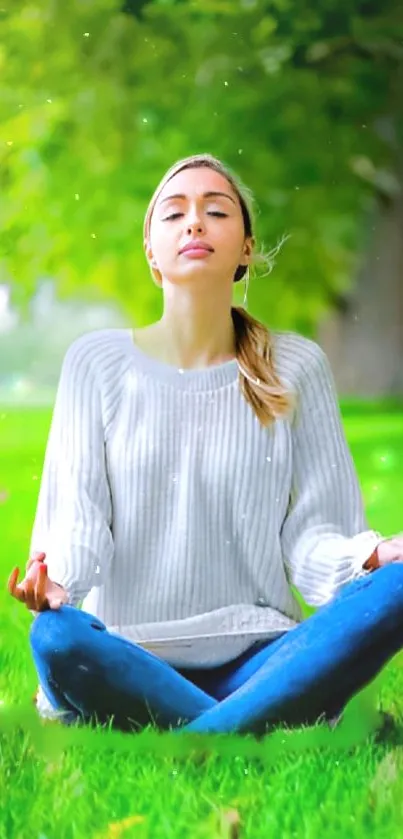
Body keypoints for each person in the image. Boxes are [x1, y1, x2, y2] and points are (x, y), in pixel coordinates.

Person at [8, 153, 403, 736]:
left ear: (246, 246)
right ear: (152, 251)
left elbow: (313, 539)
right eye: (174, 213)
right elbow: (77, 523)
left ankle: (205, 737)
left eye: (216, 211)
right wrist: (59, 576)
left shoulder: (296, 366)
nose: (195, 222)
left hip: (261, 658)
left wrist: (370, 557)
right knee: (57, 636)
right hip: (131, 657)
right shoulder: (96, 363)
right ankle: (263, 723)